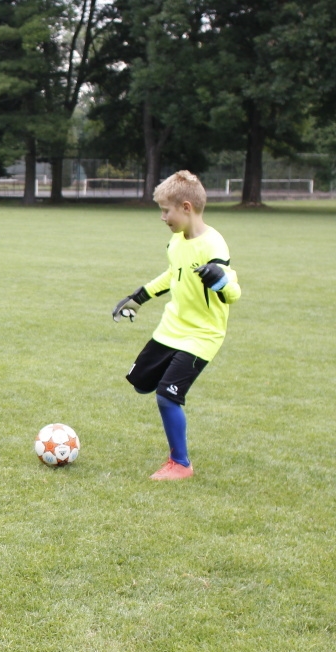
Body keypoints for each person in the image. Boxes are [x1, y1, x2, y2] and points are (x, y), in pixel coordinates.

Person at [112, 170, 241, 480]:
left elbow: (233, 293)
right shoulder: (176, 241)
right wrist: (138, 297)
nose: (162, 217)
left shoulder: (214, 246)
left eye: (165, 210)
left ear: (186, 207)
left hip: (202, 336)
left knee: (167, 396)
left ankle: (180, 464)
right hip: (171, 329)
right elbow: (173, 275)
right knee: (141, 382)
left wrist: (220, 280)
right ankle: (166, 384)